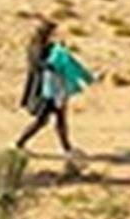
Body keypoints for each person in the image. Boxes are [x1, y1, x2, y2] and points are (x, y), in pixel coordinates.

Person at [15, 18, 92, 160]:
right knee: (42, 120)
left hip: (55, 88)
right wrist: (52, 64)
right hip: (45, 89)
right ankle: (18, 145)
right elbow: (38, 64)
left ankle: (67, 149)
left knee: (60, 119)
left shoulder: (48, 46)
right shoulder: (36, 48)